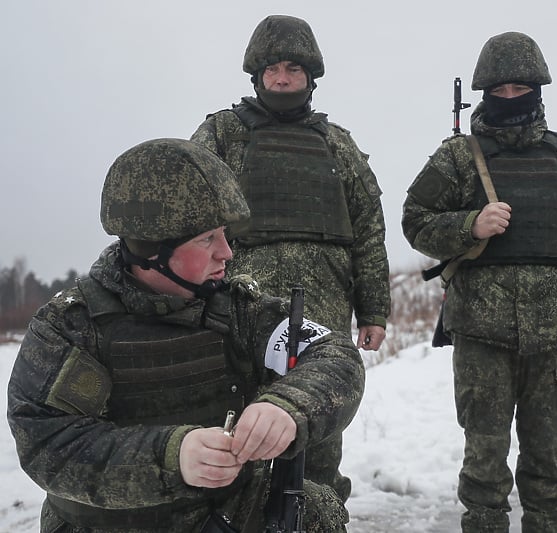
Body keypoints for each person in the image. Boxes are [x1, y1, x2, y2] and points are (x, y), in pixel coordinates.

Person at [6, 138, 365, 533]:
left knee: (316, 511)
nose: (226, 252)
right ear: (150, 250)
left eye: (224, 234)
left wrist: (288, 406)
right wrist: (171, 457)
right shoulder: (71, 326)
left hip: (226, 513)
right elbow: (47, 441)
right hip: (109, 524)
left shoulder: (238, 309)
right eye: (206, 239)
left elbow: (333, 355)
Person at [402, 32, 557, 533]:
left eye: (519, 88)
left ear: (538, 90)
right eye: (498, 90)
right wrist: (468, 227)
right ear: (484, 93)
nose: (509, 98)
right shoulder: (458, 158)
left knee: (548, 466)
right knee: (484, 467)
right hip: (482, 333)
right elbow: (415, 220)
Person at [190, 14, 390, 502]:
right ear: (257, 75)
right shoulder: (219, 136)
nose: (282, 79)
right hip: (233, 313)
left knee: (317, 445)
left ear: (310, 77)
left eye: (293, 70)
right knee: (232, 435)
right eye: (273, 69)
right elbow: (188, 219)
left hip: (321, 315)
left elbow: (367, 230)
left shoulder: (337, 145)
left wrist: (375, 309)